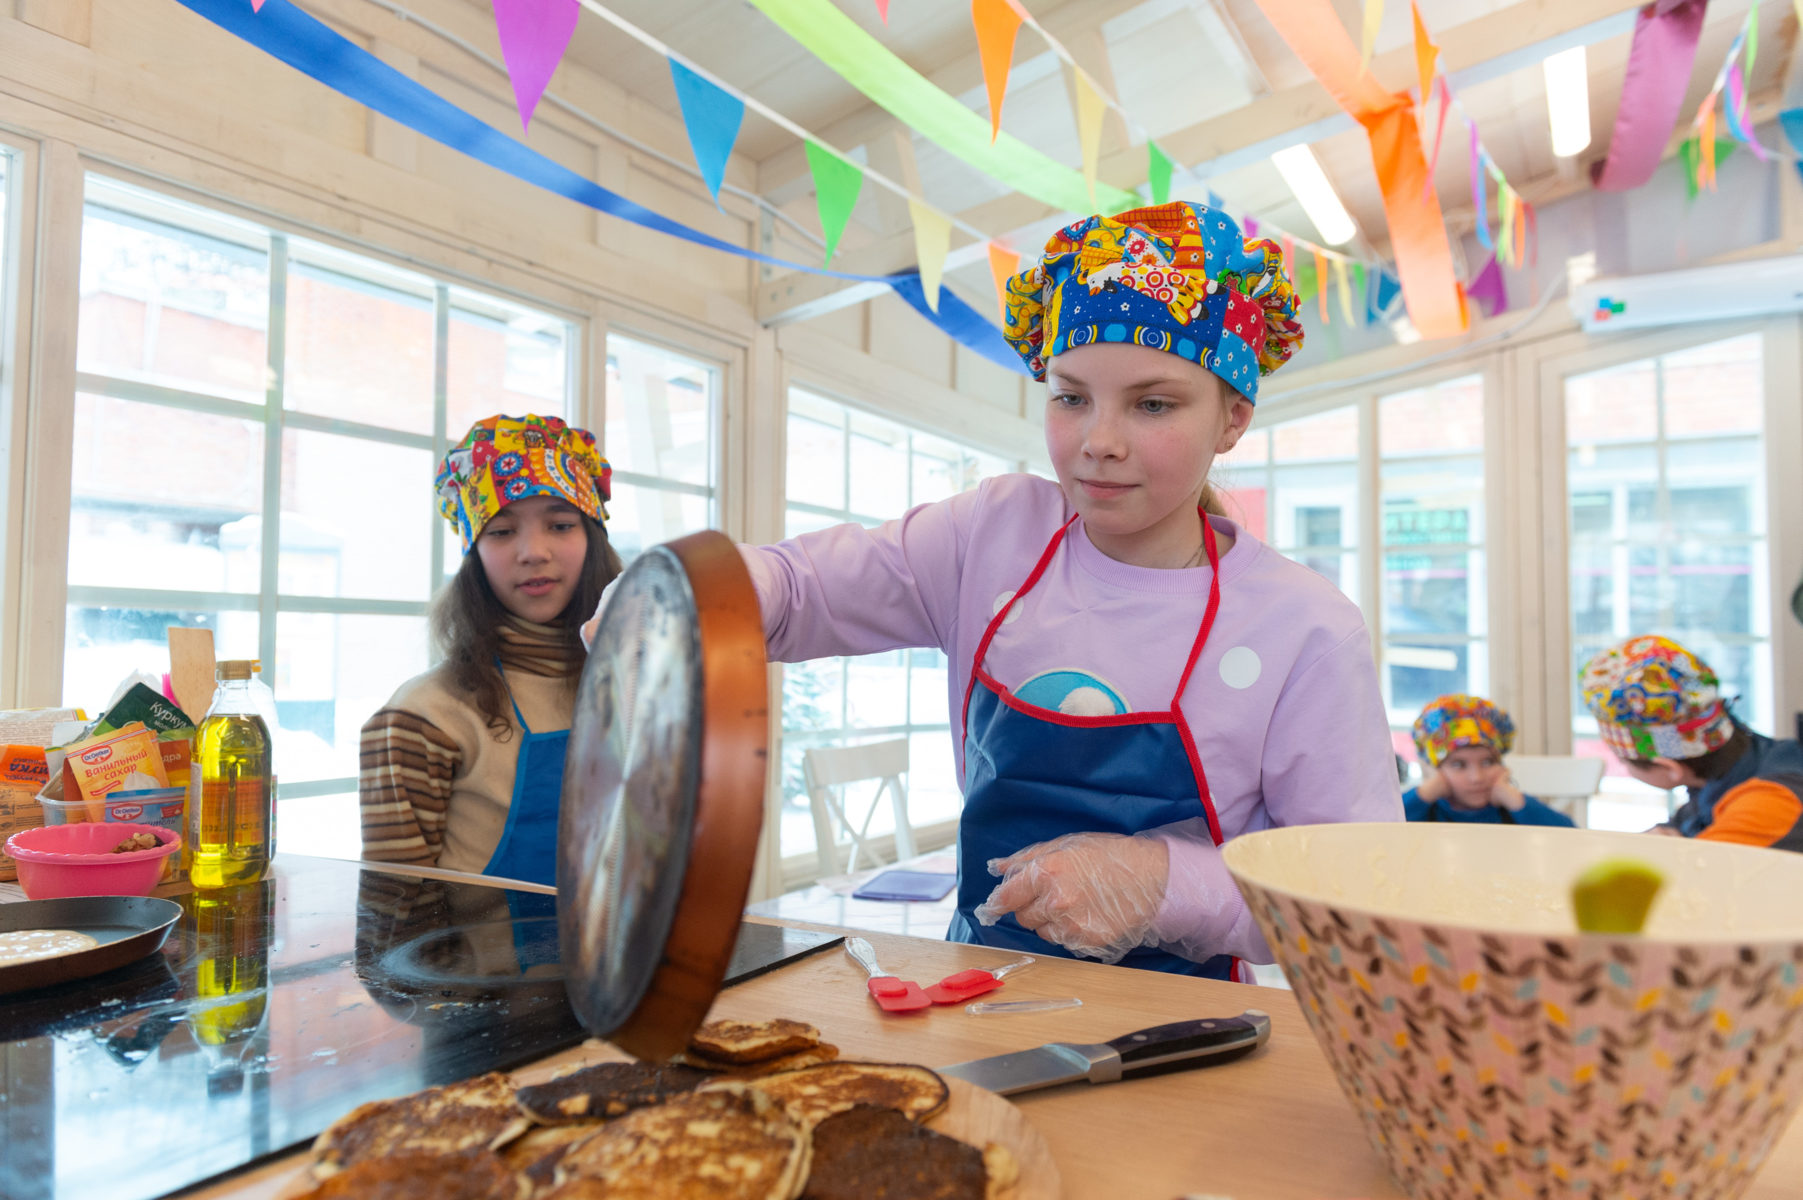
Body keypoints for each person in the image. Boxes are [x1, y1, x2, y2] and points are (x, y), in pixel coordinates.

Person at [637, 201, 1400, 977]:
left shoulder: (1300, 628)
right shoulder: (989, 538)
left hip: (1189, 1038)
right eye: (1070, 396)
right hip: (975, 996)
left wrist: (1168, 886)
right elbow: (800, 591)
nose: (1098, 443)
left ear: (1231, 420)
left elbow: (1356, 904)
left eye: (1153, 403)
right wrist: (684, 594)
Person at [358, 414, 620, 885]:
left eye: (560, 525)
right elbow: (394, 922)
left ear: (593, 540)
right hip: (480, 962)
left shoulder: (639, 686)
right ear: (472, 555)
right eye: (500, 531)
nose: (533, 551)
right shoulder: (425, 715)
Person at [1580, 635, 1803, 851]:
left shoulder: (1770, 803)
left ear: (1670, 767)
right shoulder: (1729, 769)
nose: (1625, 768)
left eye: (1624, 762)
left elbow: (1696, 880)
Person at [1402, 694, 1574, 827]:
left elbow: (1570, 839)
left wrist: (1518, 803)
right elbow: (1379, 829)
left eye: (1488, 762)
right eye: (1458, 765)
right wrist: (1423, 795)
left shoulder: (1515, 810)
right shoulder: (1423, 810)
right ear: (1436, 769)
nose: (1476, 777)